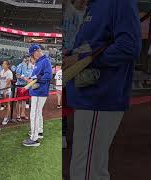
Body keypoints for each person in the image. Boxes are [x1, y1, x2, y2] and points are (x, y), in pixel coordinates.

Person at [65, 0, 141, 179]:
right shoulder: (95, 5)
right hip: (90, 96)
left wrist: (82, 57)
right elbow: (94, 45)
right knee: (85, 169)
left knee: (87, 172)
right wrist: (72, 55)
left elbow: (129, 47)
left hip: (100, 96)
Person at [62, 0, 87, 150]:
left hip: (78, 58)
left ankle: (80, 134)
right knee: (63, 99)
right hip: (67, 58)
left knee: (80, 99)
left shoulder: (89, 13)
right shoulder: (68, 11)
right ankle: (63, 133)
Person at [22, 44, 52, 147]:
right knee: (38, 113)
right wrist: (32, 79)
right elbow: (38, 76)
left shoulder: (45, 61)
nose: (31, 56)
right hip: (37, 90)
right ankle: (39, 132)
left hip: (39, 91)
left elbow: (48, 76)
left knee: (34, 114)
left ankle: (34, 139)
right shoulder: (40, 61)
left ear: (36, 51)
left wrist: (37, 78)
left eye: (32, 54)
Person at [15, 55, 33, 121]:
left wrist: (30, 79)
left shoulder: (31, 66)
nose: (27, 60)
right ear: (23, 59)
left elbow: (32, 74)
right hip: (20, 85)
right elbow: (17, 75)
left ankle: (23, 114)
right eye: (26, 58)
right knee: (19, 100)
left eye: (28, 58)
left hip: (27, 86)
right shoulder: (20, 65)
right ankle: (18, 115)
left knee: (24, 100)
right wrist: (23, 78)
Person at [0, 60, 13, 125]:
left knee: (7, 104)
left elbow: (8, 82)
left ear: (8, 65)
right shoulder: (2, 71)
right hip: (0, 90)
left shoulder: (9, 72)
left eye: (4, 64)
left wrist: (5, 91)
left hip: (6, 91)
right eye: (3, 64)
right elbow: (0, 80)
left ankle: (6, 118)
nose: (3, 65)